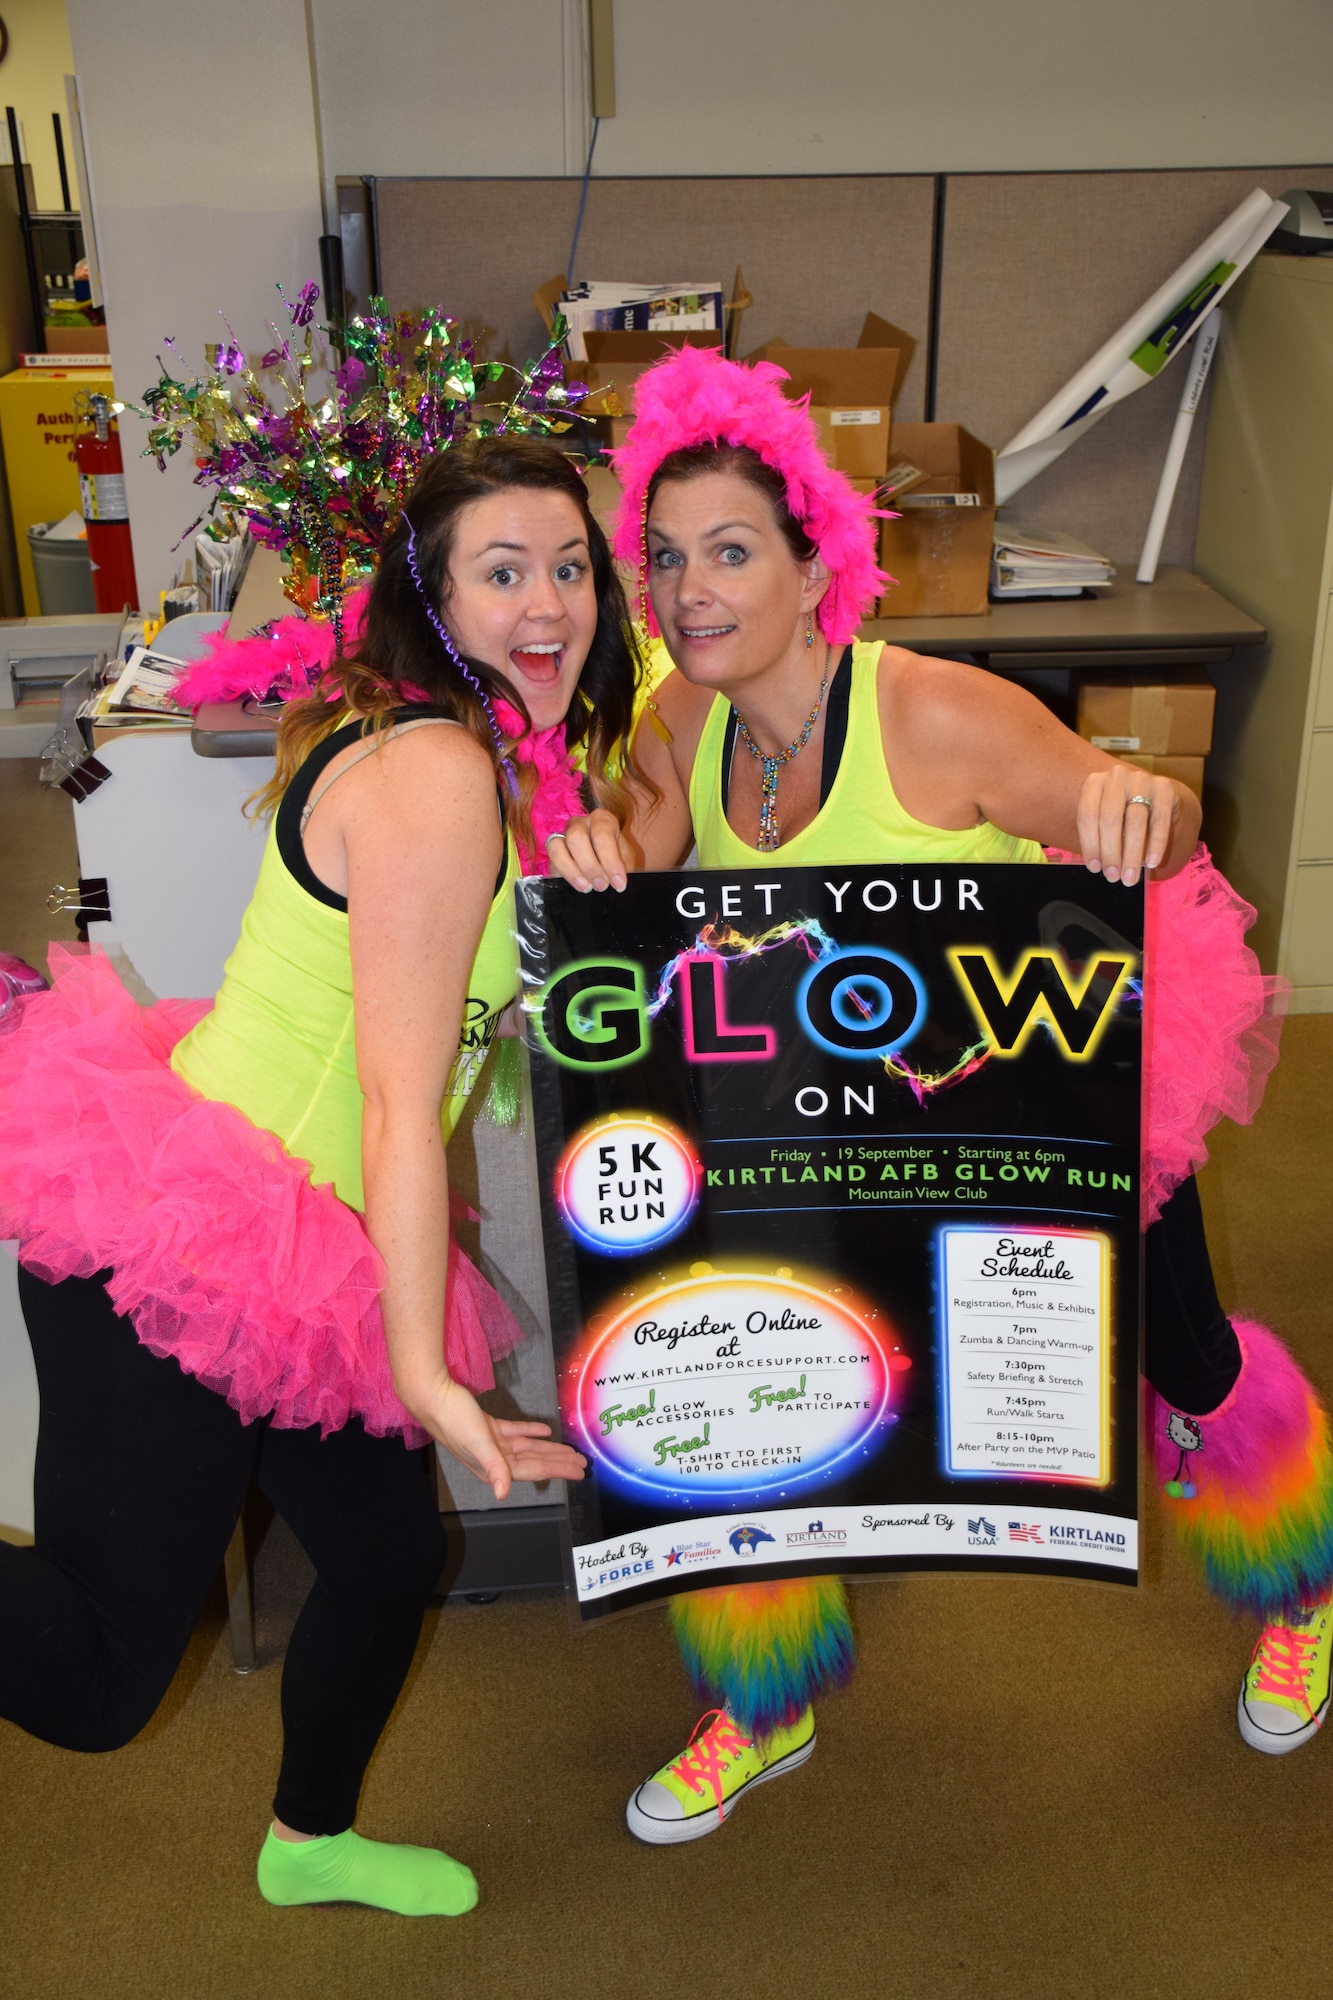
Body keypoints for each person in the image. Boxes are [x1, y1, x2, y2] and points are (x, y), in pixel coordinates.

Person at [548, 346, 1332, 1844]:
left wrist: (1134, 802)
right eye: (664, 559)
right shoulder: (673, 731)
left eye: (730, 551)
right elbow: (625, 895)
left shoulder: (935, 714)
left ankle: (1300, 1592)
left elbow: (1152, 823)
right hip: (823, 1126)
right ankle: (761, 1702)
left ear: (809, 561)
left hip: (1032, 1106)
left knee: (1179, 1358)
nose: (689, 590)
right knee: (746, 1392)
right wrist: (589, 850)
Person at [0, 435, 646, 1912]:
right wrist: (428, 1376)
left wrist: (602, 830)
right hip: (186, 1243)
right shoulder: (434, 772)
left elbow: (626, 816)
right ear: (433, 594)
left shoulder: (483, 747)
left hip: (304, 1242)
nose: (548, 601)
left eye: (568, 566)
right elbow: (400, 1106)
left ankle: (310, 1838)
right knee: (102, 1682)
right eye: (503, 572)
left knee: (377, 1556)